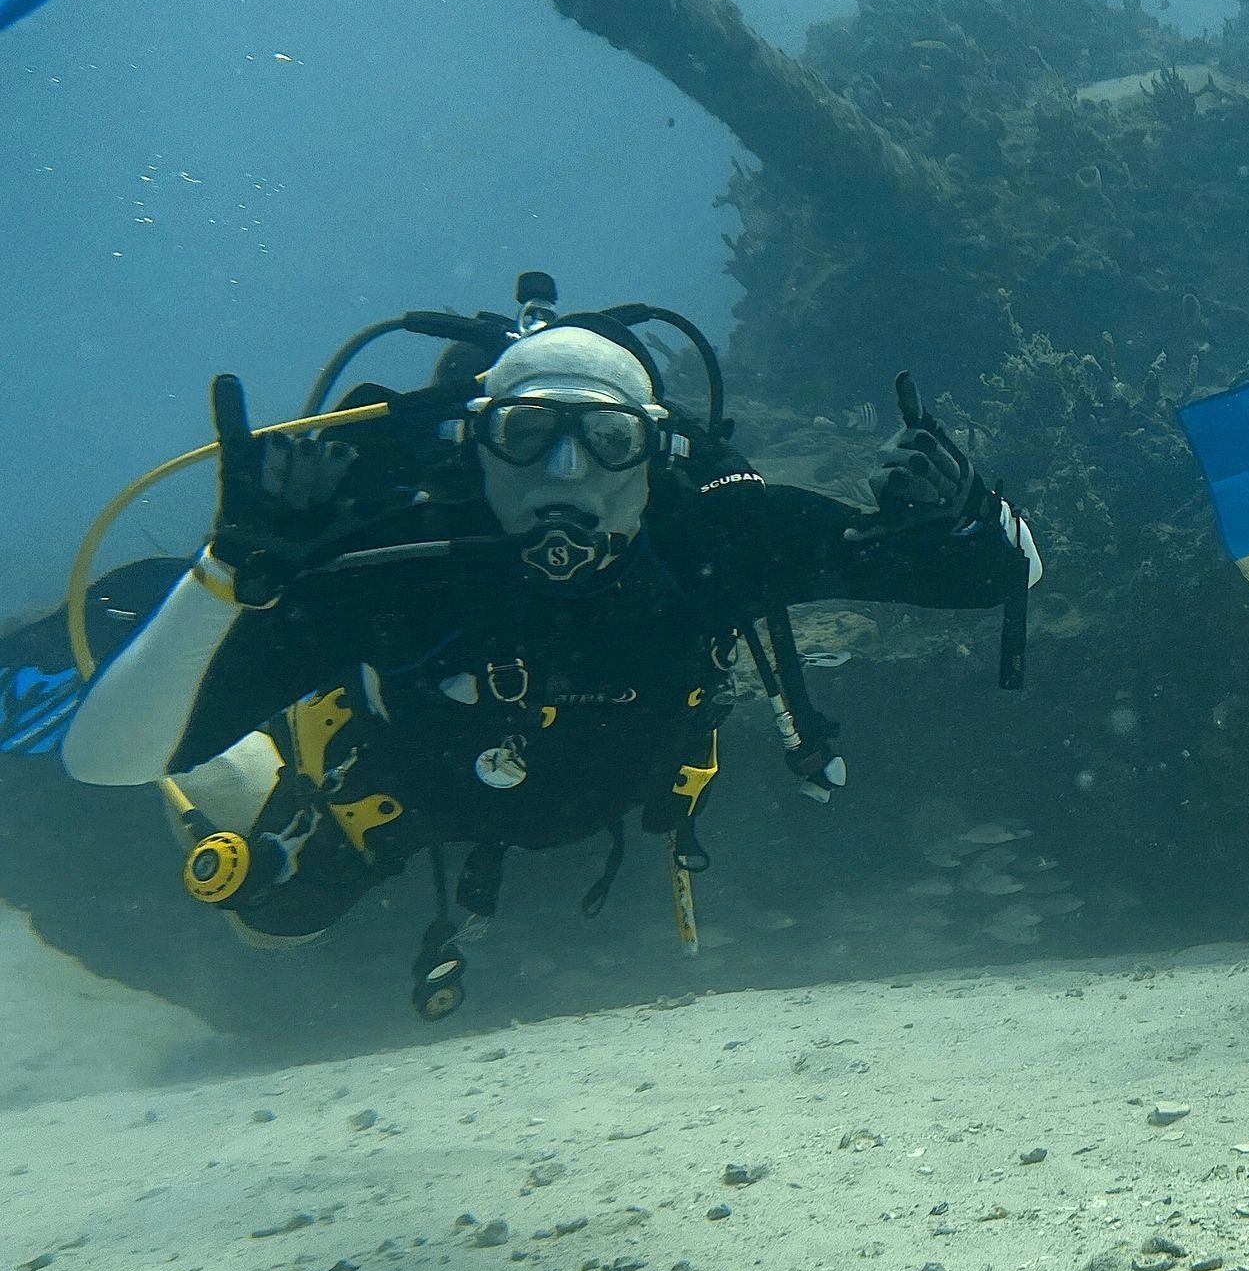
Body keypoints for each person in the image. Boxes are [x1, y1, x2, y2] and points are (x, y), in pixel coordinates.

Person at [59, 294, 1040, 1017]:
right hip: (403, 792)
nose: (564, 475)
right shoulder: (398, 558)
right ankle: (264, 761)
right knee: (274, 916)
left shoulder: (718, 532)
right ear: (476, 445)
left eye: (606, 439)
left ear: (655, 452)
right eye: (528, 435)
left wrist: (965, 515)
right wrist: (225, 577)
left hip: (618, 786)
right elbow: (101, 759)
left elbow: (1007, 575)